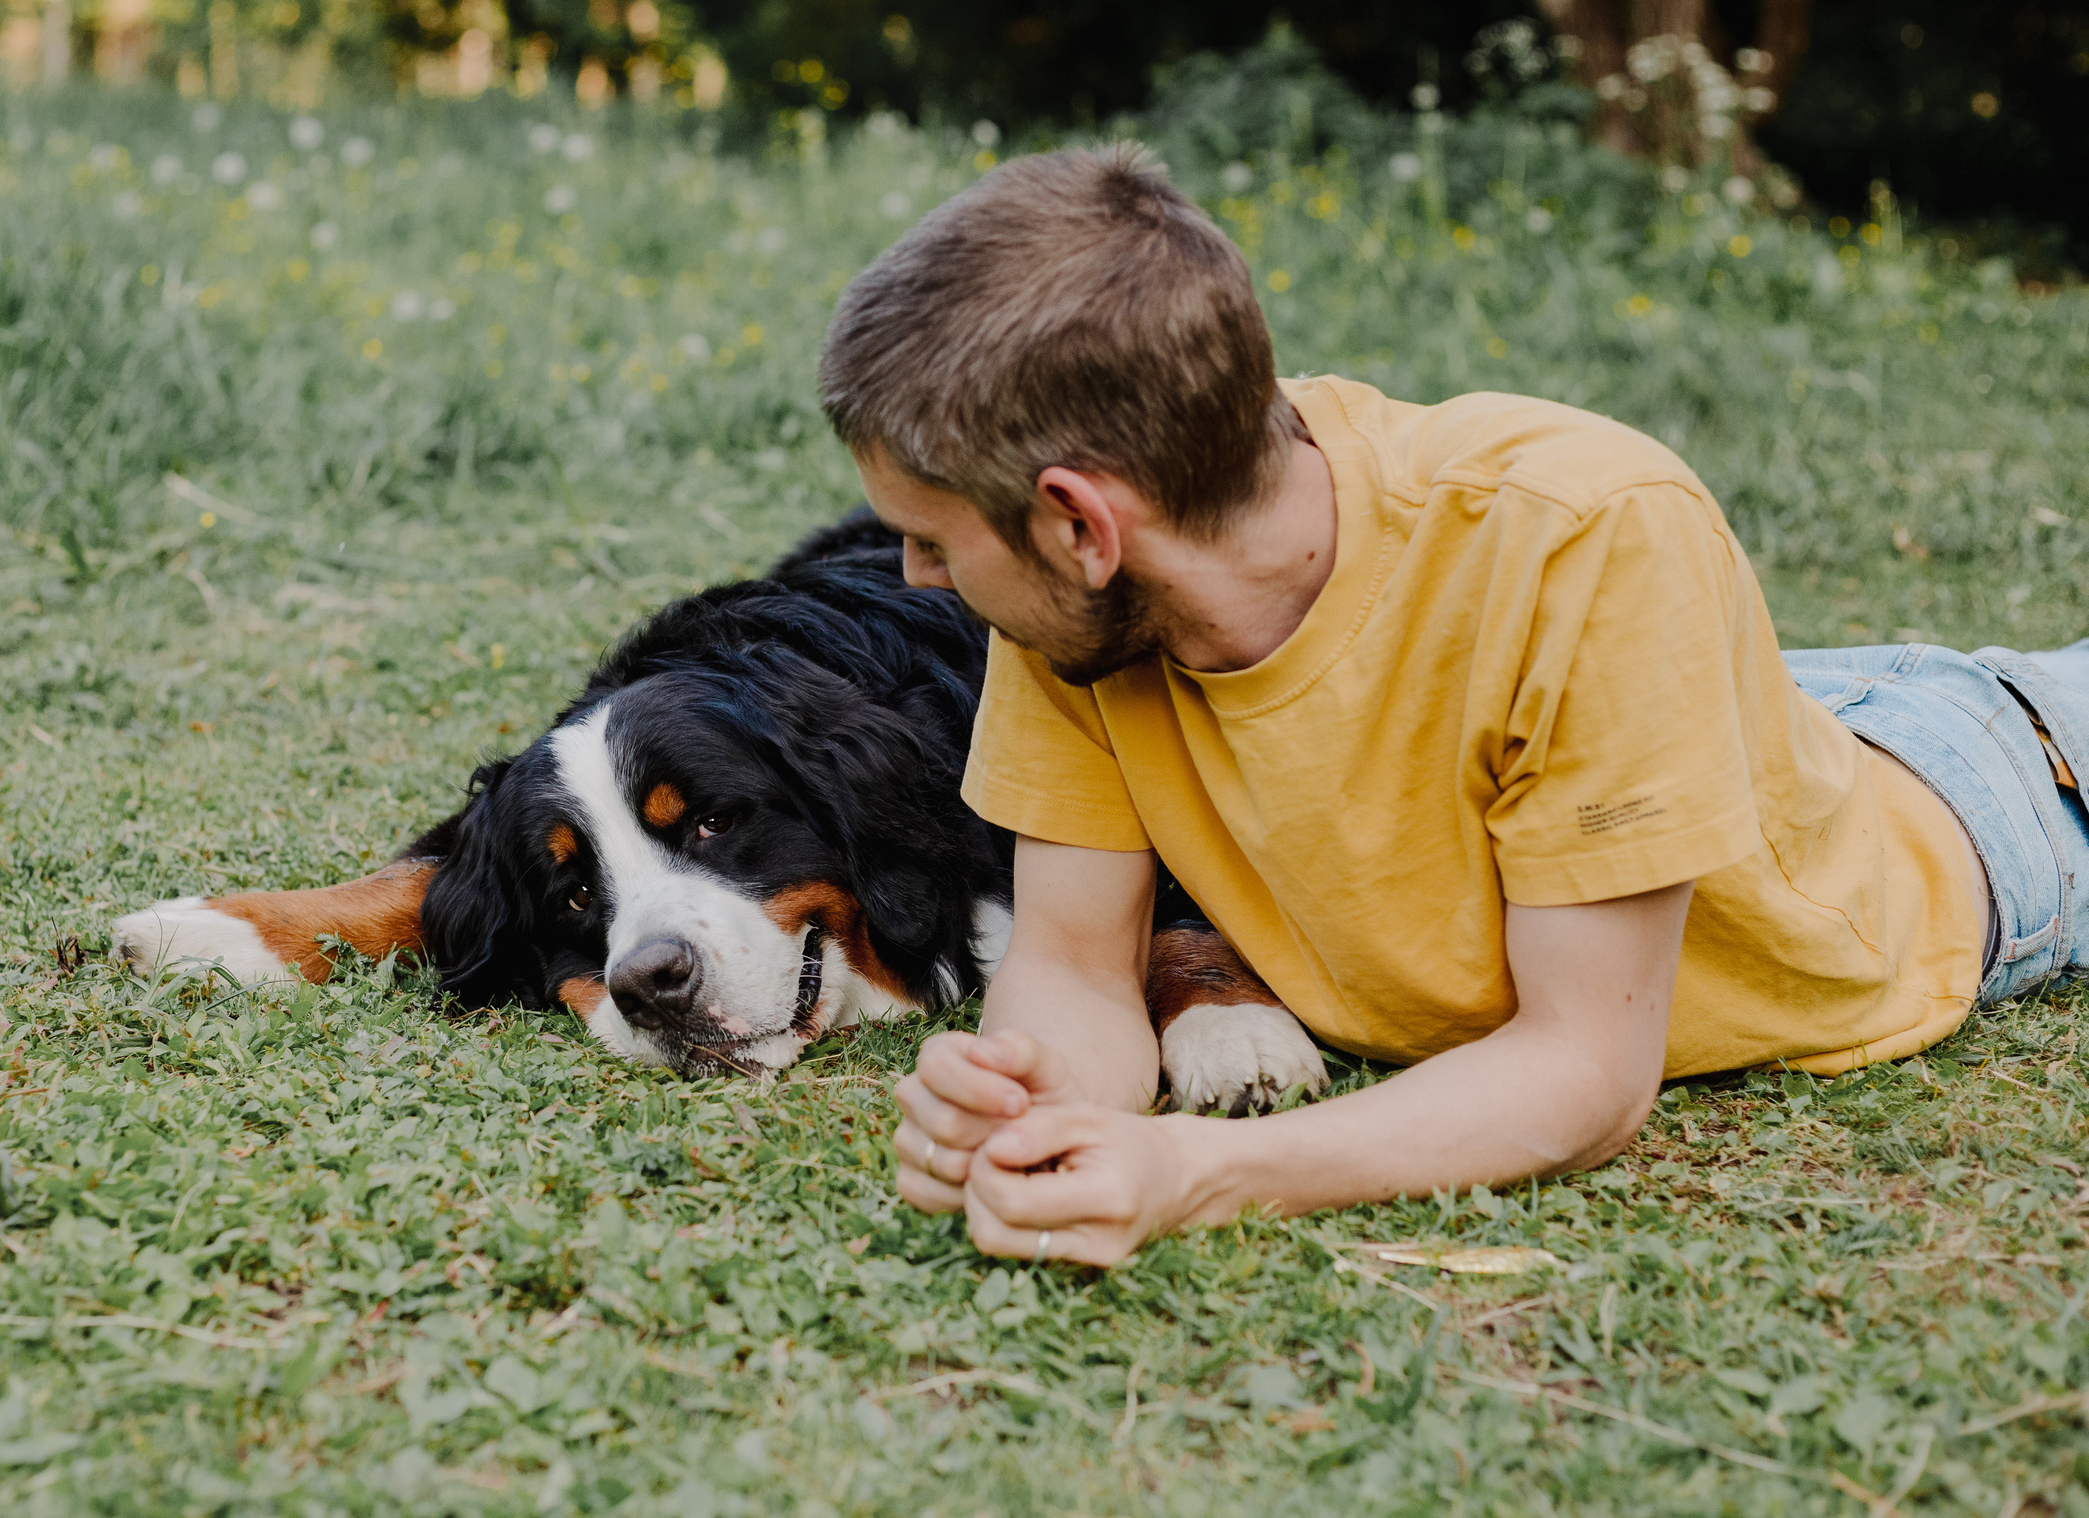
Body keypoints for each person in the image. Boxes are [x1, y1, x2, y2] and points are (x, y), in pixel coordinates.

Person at [818, 144, 2089, 1267]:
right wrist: (1036, 1100)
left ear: (1080, 522)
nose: (916, 579)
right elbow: (1072, 967)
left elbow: (1585, 1073)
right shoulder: (1089, 614)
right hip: (1662, 734)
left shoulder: (1585, 539)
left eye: (930, 541)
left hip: (1981, 790)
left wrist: (1208, 1175)